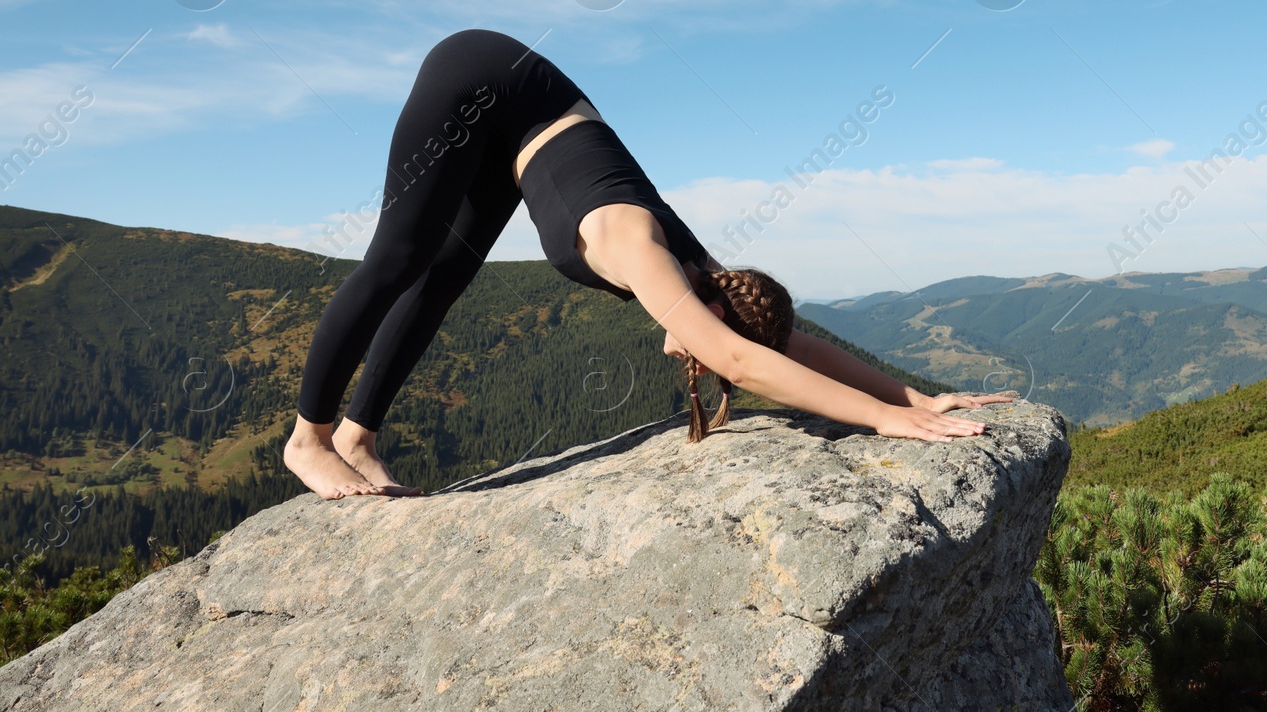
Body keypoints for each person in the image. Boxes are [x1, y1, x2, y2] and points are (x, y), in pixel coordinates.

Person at [285, 29, 1011, 500]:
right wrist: (884, 420)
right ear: (717, 313)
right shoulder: (642, 250)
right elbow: (744, 358)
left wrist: (913, 395)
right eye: (708, 355)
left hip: (528, 127)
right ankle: (309, 439)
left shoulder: (710, 275)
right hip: (480, 78)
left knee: (447, 275)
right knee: (401, 257)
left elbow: (783, 344)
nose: (698, 361)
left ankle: (359, 437)